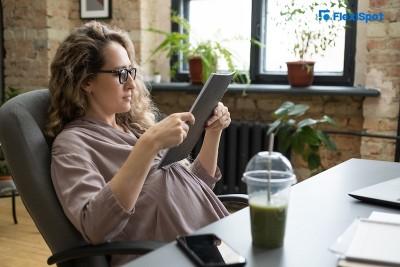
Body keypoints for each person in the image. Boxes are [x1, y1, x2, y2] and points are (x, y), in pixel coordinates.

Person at [46, 21, 232, 266]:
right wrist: (148, 146)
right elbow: (94, 226)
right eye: (120, 74)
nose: (132, 84)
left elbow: (197, 186)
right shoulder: (72, 144)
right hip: (159, 256)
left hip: (206, 244)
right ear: (86, 81)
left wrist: (213, 132)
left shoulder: (133, 127)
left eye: (131, 72)